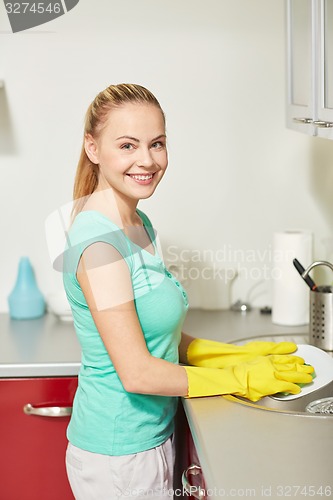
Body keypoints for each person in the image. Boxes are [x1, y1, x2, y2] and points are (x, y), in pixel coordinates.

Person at [62, 83, 314, 500]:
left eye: (157, 144)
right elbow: (137, 372)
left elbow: (157, 337)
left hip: (148, 440)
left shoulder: (138, 223)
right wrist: (239, 377)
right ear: (92, 147)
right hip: (118, 456)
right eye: (127, 145)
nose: (147, 160)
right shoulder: (100, 245)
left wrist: (235, 354)